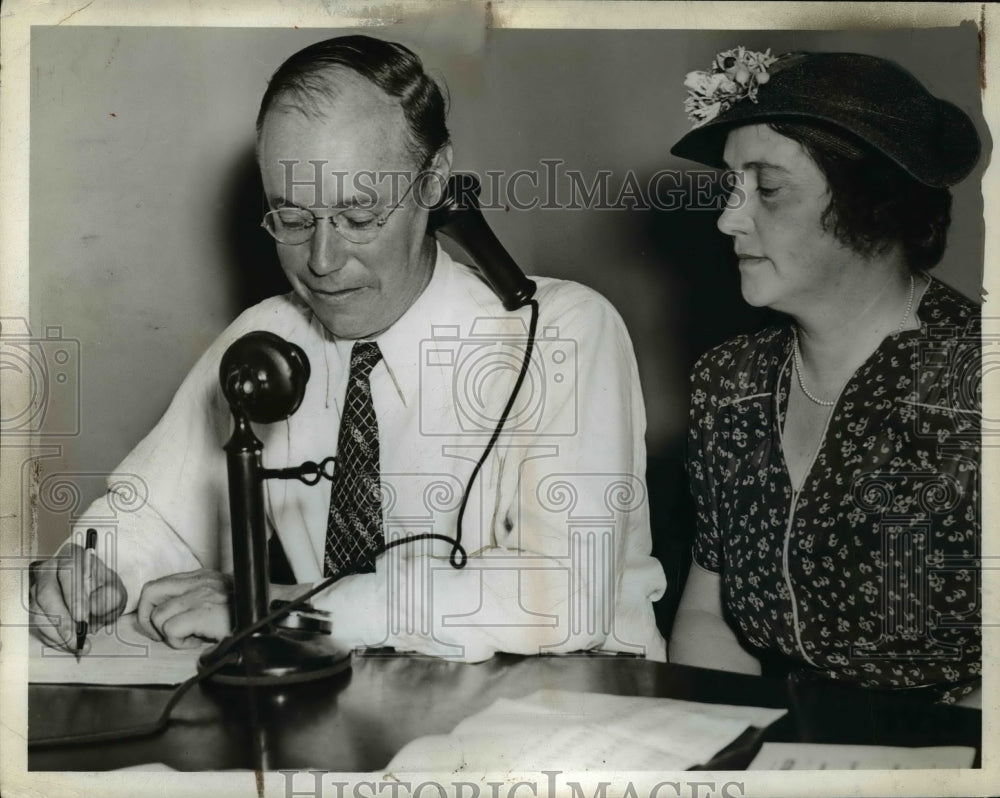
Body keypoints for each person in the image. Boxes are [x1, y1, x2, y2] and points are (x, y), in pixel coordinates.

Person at [29, 35, 667, 663]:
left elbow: (561, 594)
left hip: (578, 718)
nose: (324, 262)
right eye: (294, 219)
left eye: (359, 217)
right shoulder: (267, 341)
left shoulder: (563, 332)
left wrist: (283, 610)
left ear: (434, 179)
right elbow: (152, 519)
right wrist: (93, 569)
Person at [668, 48, 982, 702]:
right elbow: (709, 618)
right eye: (731, 186)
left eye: (770, 189)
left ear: (874, 204)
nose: (729, 219)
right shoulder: (729, 382)